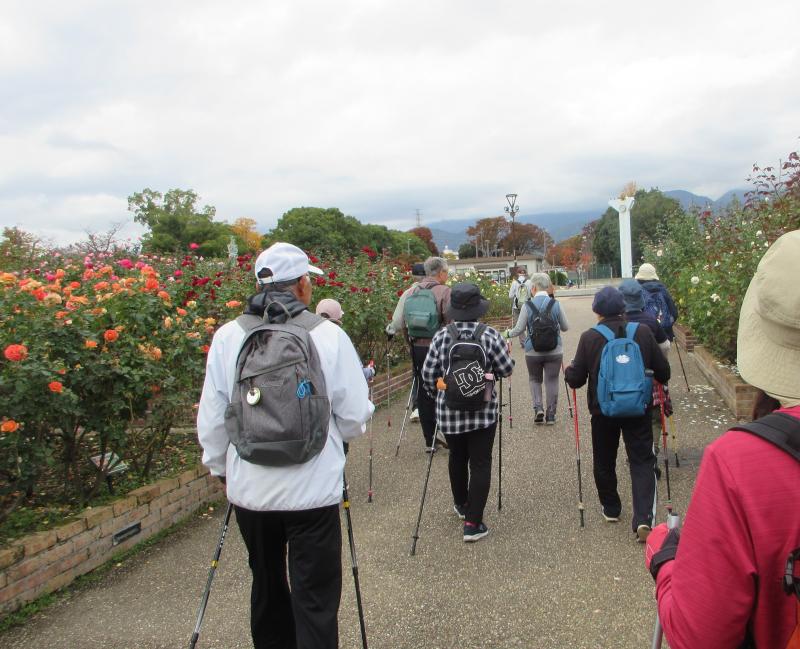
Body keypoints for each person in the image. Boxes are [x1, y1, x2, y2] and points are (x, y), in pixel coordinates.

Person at [197, 242, 374, 649]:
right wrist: (336, 441)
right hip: (313, 491)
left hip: (251, 492)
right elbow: (351, 415)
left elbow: (213, 415)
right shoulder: (327, 335)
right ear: (301, 285)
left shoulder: (228, 337)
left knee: (267, 588)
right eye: (308, 280)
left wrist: (219, 468)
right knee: (315, 599)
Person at [644, 230, 800, 649]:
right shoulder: (661, 294)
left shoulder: (742, 462)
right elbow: (672, 318)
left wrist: (665, 559)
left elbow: (699, 636)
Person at [564, 286, 670, 541]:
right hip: (638, 408)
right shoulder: (642, 332)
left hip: (603, 411)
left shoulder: (590, 337)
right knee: (642, 460)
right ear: (624, 308)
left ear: (596, 310)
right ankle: (643, 518)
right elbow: (664, 373)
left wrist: (569, 372)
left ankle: (611, 507)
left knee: (604, 459)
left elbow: (576, 380)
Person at [421, 283, 514, 542]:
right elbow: (507, 370)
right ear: (477, 309)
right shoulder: (490, 335)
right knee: (481, 462)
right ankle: (473, 523)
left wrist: (437, 392)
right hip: (483, 412)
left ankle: (461, 505)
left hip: (449, 412)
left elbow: (428, 375)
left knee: (457, 458)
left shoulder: (441, 336)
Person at [503, 273, 569, 425]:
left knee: (534, 379)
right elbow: (565, 327)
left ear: (533, 288)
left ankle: (538, 408)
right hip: (555, 350)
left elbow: (519, 329)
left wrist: (507, 333)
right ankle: (551, 415)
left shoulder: (527, 306)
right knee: (552, 380)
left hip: (533, 351)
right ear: (548, 287)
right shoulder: (556, 304)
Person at [401, 257, 452, 450]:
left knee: (423, 390)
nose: (447, 276)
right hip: (439, 348)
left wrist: (410, 346)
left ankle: (429, 439)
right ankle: (446, 432)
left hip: (417, 348)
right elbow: (450, 323)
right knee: (443, 386)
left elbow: (405, 324)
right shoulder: (445, 291)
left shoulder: (411, 292)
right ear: (440, 273)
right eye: (446, 272)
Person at [387, 262, 426, 422]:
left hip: (415, 342)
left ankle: (417, 408)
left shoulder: (408, 293)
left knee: (417, 373)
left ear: (413, 276)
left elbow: (397, 321)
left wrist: (389, 330)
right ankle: (439, 406)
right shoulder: (436, 290)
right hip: (437, 342)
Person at [316, 298, 375, 382]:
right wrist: (371, 371)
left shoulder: (310, 335)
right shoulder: (340, 338)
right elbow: (358, 373)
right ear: (338, 319)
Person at [635, 263, 679, 342]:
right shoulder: (662, 290)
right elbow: (674, 313)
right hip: (664, 336)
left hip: (644, 336)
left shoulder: (637, 291)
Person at [508, 267, 529, 346]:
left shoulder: (514, 283)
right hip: (527, 305)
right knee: (529, 323)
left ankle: (523, 342)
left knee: (519, 324)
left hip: (517, 307)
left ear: (517, 273)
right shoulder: (529, 282)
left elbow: (510, 296)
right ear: (525, 273)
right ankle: (530, 340)